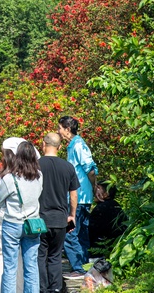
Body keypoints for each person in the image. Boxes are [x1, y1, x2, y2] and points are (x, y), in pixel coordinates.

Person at [0, 140, 43, 293]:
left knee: (10, 267)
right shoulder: (39, 175)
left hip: (12, 223)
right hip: (33, 224)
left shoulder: (9, 178)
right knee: (31, 265)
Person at [37, 132, 79, 293]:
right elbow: (73, 194)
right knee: (55, 256)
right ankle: (55, 288)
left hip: (40, 218)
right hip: (60, 219)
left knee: (40, 256)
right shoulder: (68, 167)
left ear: (43, 144)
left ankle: (41, 288)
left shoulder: (36, 165)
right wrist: (72, 215)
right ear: (60, 147)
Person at [58, 116, 98, 279]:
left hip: (79, 196)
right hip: (82, 196)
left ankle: (79, 268)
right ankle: (83, 266)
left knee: (70, 231)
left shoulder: (78, 145)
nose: (58, 131)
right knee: (80, 233)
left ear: (67, 129)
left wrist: (94, 186)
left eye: (60, 127)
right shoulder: (73, 145)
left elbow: (90, 168)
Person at [88, 182, 127, 248]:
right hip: (114, 245)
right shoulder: (115, 204)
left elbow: (91, 230)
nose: (94, 191)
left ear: (106, 194)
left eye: (98, 188)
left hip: (101, 247)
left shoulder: (102, 208)